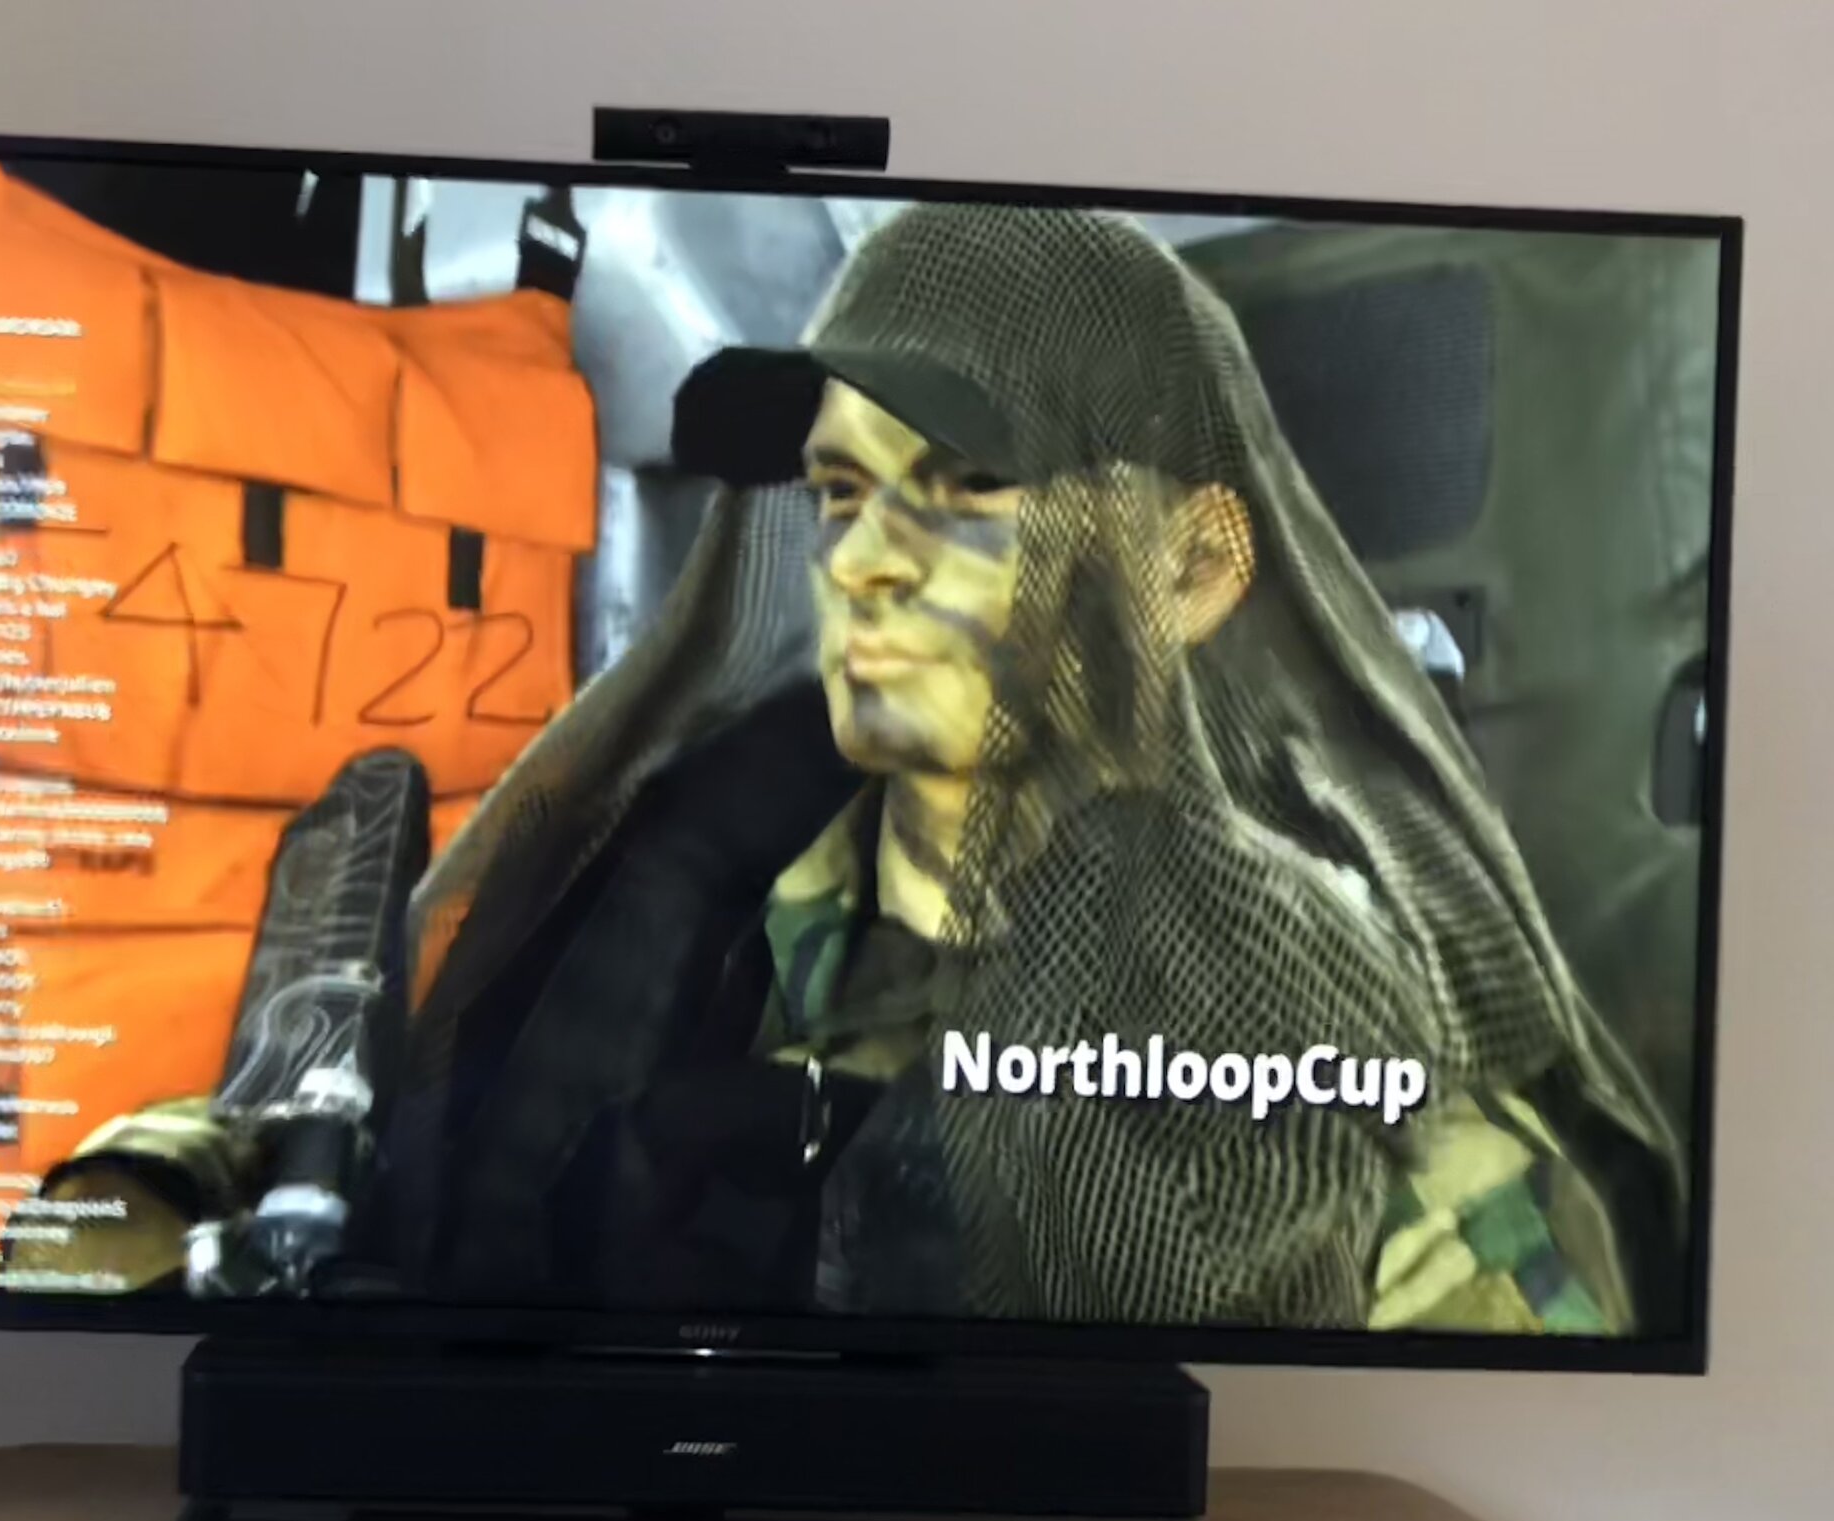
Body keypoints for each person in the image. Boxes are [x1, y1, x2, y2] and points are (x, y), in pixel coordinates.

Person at [386, 204, 1687, 1335]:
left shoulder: (1364, 1106)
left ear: (1193, 569)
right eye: (840, 493)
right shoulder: (676, 902)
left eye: (966, 485)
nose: (860, 560)